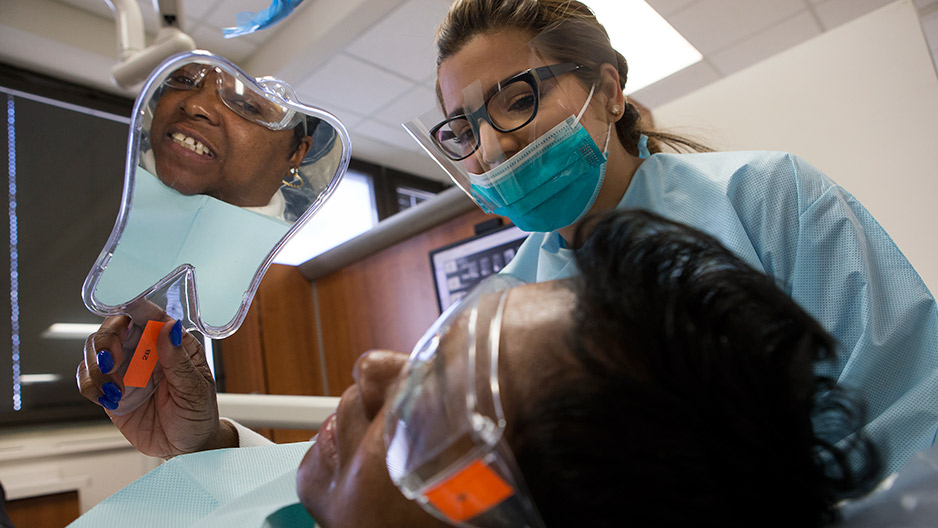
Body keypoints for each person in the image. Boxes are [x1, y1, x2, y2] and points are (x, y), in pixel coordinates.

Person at [76, 210, 879, 527]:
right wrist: (202, 451)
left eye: (432, 395)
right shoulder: (341, 491)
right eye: (427, 347)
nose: (374, 366)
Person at [411, 0, 938, 479]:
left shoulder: (765, 197)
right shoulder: (504, 307)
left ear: (610, 93)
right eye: (462, 129)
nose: (492, 147)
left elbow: (901, 399)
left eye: (518, 98)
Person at [146, 62, 318, 218]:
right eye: (185, 80)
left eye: (246, 105)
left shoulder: (283, 252)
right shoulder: (120, 166)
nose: (194, 105)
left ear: (296, 153)